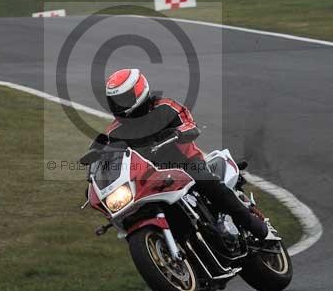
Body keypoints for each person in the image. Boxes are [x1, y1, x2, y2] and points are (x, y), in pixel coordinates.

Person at [91, 68, 269, 239]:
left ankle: (252, 224)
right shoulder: (114, 131)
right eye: (115, 100)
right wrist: (95, 163)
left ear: (139, 92)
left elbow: (189, 124)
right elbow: (105, 152)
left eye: (123, 98)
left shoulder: (165, 107)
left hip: (185, 163)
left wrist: (179, 132)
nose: (119, 105)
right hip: (151, 177)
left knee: (210, 185)